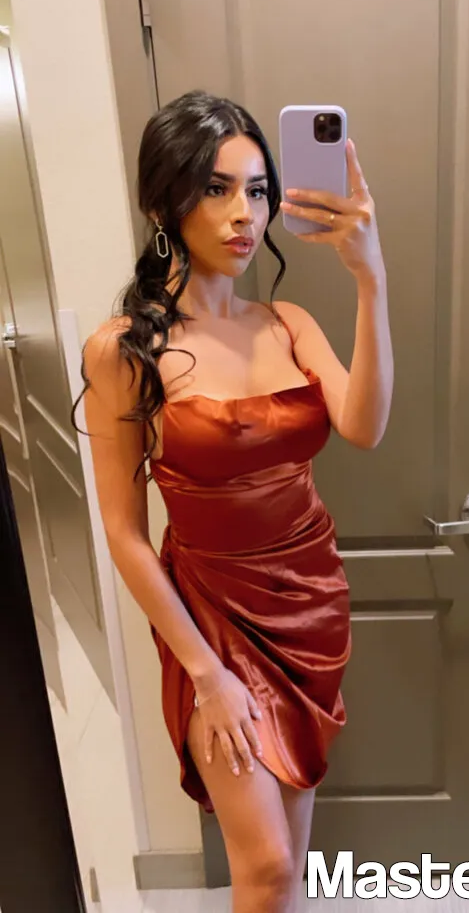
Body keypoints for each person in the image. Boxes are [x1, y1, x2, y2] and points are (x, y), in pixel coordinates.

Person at [80, 90, 393, 913]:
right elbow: (124, 533)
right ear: (164, 203)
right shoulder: (124, 350)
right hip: (211, 617)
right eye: (216, 189)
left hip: (310, 605)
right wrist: (207, 673)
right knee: (264, 867)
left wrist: (370, 280)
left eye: (256, 190)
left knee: (290, 862)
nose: (243, 213)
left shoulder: (286, 321)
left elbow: (364, 426)